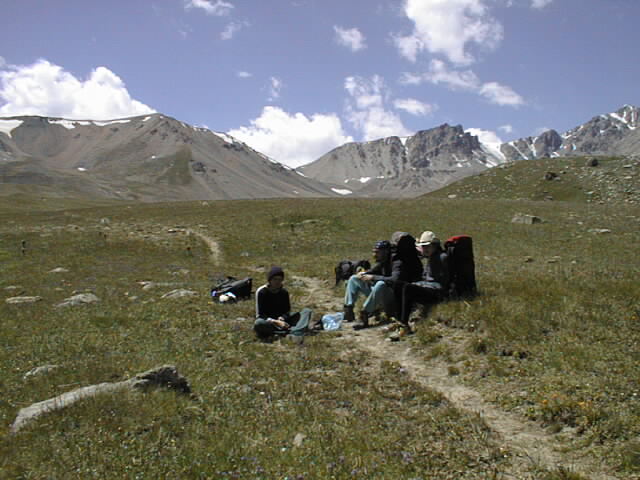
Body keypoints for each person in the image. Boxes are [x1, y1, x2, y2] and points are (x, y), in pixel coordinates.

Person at [344, 233, 423, 330]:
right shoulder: (384, 261)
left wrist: (373, 277)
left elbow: (395, 280)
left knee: (381, 284)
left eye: (377, 252)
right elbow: (373, 271)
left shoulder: (397, 262)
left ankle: (365, 314)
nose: (374, 255)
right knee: (354, 279)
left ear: (385, 252)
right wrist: (363, 274)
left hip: (393, 299)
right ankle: (348, 309)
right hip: (380, 297)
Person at [398, 230, 450, 334]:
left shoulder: (442, 258)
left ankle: (404, 324)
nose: (425, 249)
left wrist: (421, 284)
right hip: (430, 289)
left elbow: (442, 282)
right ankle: (400, 320)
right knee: (400, 285)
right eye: (423, 246)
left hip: (437, 293)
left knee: (407, 288)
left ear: (434, 245)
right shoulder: (431, 257)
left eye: (427, 246)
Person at [254, 266, 313, 340]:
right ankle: (294, 332)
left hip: (283, 321)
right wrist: (275, 322)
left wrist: (282, 318)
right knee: (259, 323)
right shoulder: (262, 292)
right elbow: (260, 315)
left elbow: (287, 311)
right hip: (269, 322)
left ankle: (293, 332)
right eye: (275, 279)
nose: (277, 282)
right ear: (270, 280)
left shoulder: (284, 292)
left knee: (306, 311)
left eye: (280, 279)